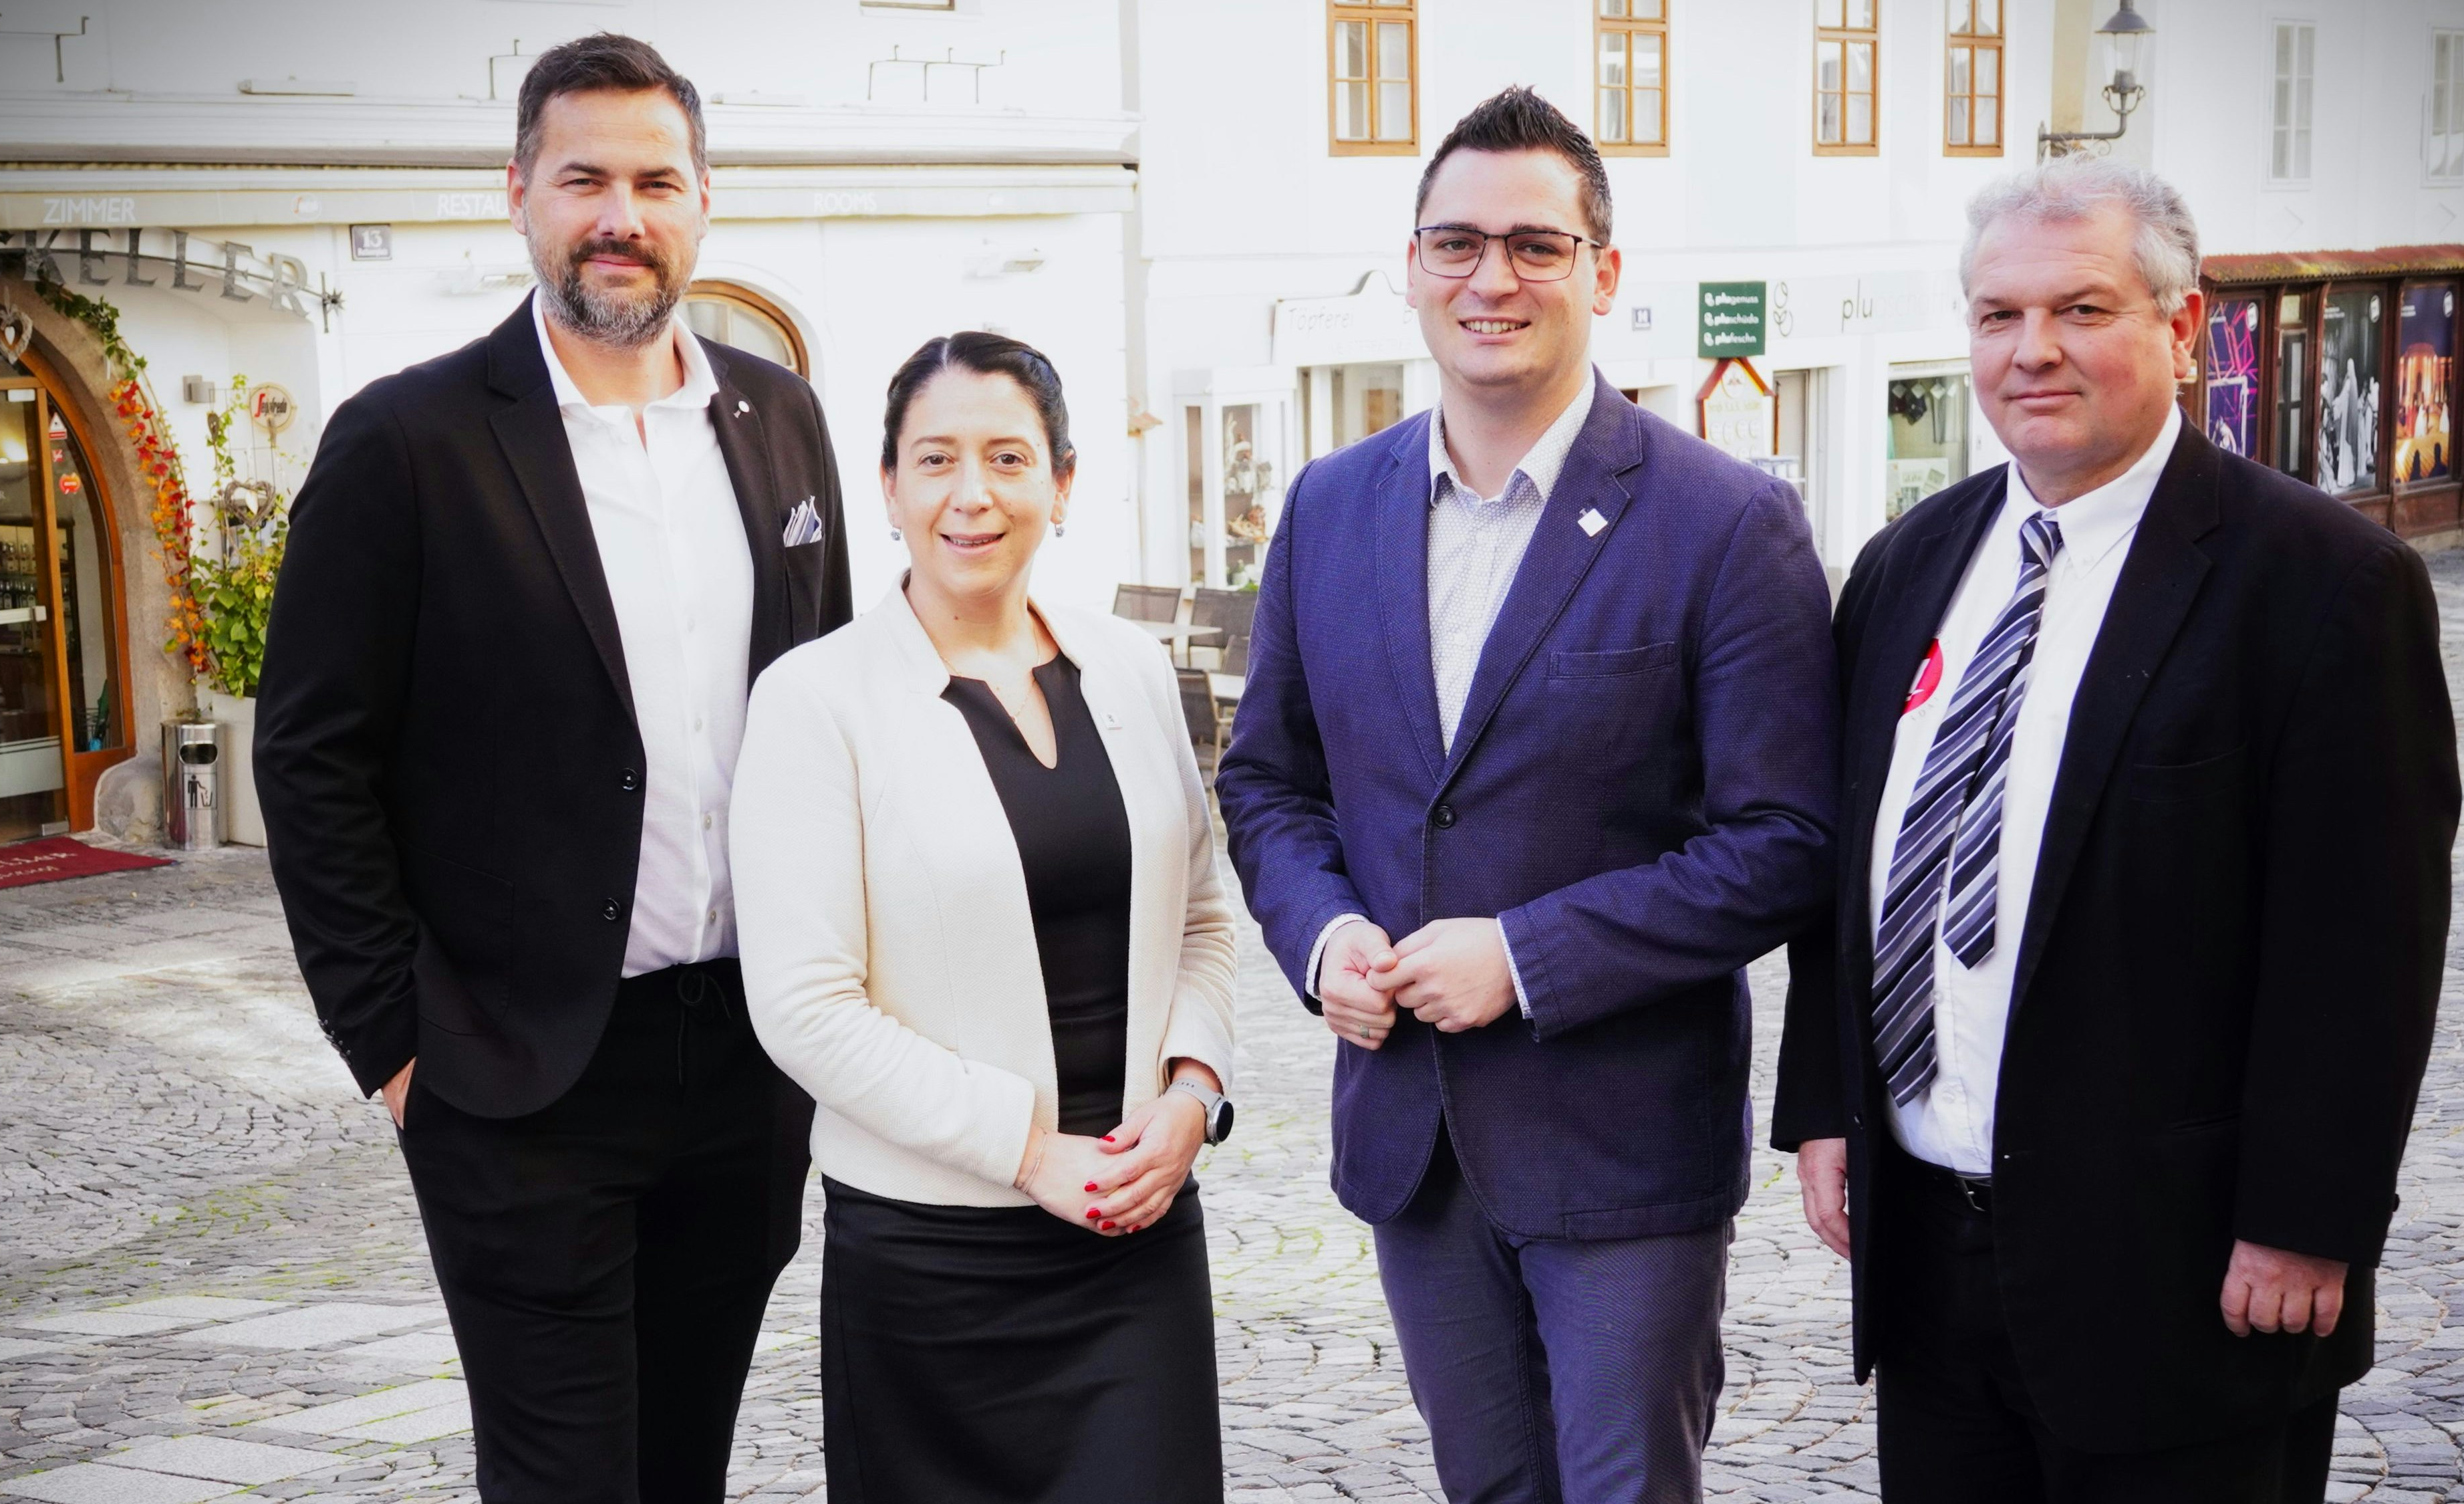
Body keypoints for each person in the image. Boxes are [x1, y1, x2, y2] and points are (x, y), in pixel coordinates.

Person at [1772, 156, 2457, 1503]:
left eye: (2079, 310)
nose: (2031, 351)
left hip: (2185, 1279)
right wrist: (1824, 1106)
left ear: (2179, 326)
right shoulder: (1908, 563)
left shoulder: (2321, 587)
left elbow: (2359, 950)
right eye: (1995, 316)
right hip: (1927, 1260)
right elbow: (1842, 870)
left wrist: (2302, 1226)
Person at [1217, 88, 1838, 1503]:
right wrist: (1322, 942)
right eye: (1454, 244)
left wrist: (1524, 955)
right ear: (1412, 265)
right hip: (1411, 1141)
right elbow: (1267, 783)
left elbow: (1786, 839)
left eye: (1532, 246)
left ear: (1600, 273)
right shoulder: (1328, 506)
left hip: (1618, 1149)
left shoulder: (1722, 521)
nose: (1488, 279)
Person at [253, 33, 851, 1504]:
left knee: (683, 1462)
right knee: (565, 1476)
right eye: (583, 177)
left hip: (745, 1065)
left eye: (655, 180)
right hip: (516, 1078)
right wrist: (394, 1045)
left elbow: (830, 703)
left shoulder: (778, 419)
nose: (619, 214)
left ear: (703, 200)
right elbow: (310, 755)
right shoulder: (409, 439)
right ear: (520, 192)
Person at [731, 332, 1237, 1504]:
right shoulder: (816, 700)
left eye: (1009, 458)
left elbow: (1206, 920)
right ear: (890, 487)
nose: (973, 494)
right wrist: (1026, 1151)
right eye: (937, 459)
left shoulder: (1131, 668)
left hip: (1138, 1235)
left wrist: (1191, 1093)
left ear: (1061, 485)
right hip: (932, 1259)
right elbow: (804, 1006)